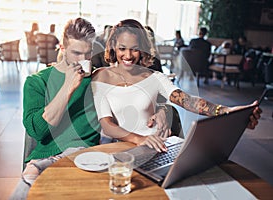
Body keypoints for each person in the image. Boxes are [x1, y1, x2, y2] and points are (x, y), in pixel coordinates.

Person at [10, 17, 168, 199]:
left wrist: (162, 109)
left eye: (88, 53)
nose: (84, 60)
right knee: (26, 189)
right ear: (62, 49)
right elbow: (37, 131)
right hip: (46, 158)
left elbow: (141, 92)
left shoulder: (98, 79)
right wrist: (67, 88)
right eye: (76, 53)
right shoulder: (36, 82)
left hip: (88, 157)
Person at [91, 19, 262, 152]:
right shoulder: (101, 77)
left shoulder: (155, 77)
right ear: (113, 46)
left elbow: (188, 101)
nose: (128, 55)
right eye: (122, 48)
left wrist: (229, 112)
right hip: (127, 148)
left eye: (134, 49)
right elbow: (107, 124)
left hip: (158, 145)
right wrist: (139, 139)